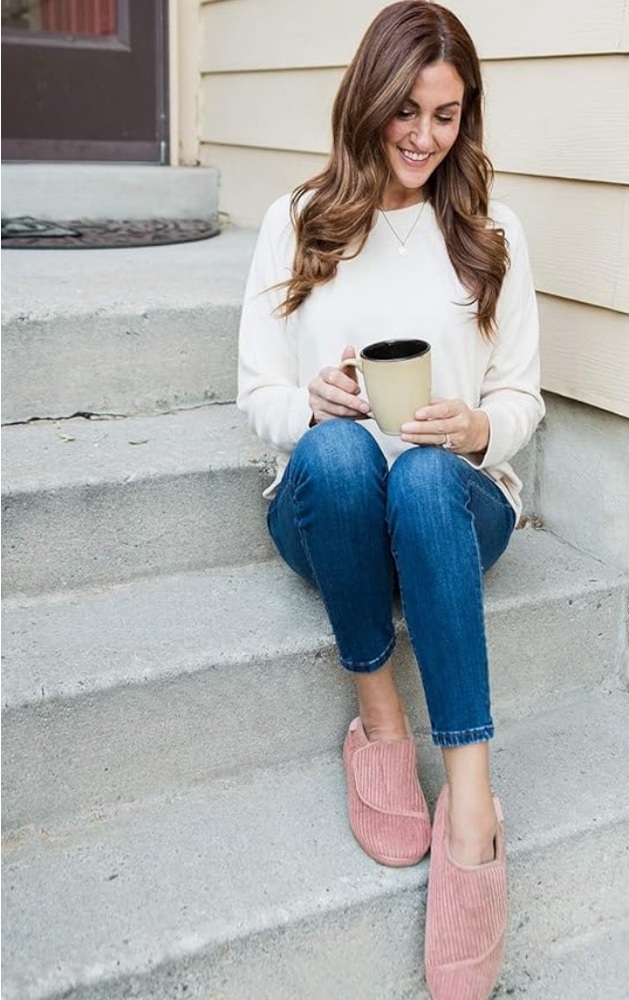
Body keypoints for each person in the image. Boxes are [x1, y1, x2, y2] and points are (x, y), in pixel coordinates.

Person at [236, 3, 544, 997]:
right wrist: (311, 405)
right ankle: (378, 725)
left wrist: (480, 430)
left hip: (449, 498)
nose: (422, 136)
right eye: (405, 110)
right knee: (339, 456)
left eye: (447, 115)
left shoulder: (492, 235)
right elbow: (256, 395)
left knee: (415, 472)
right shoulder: (299, 221)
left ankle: (469, 806)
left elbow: (521, 394)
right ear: (368, 101)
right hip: (325, 497)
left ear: (468, 118)